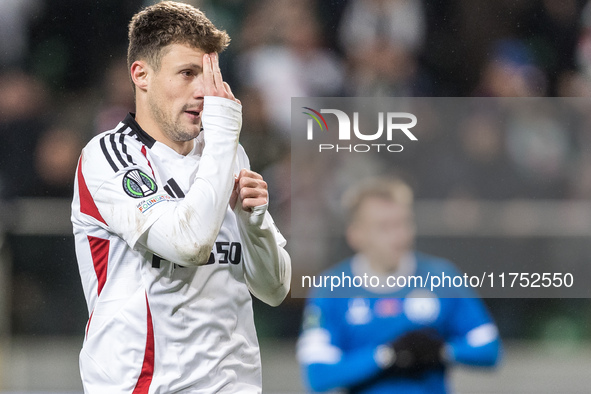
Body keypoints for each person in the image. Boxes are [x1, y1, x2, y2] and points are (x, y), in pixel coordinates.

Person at [71, 2, 291, 393]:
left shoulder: (225, 153)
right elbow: (187, 245)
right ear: (141, 74)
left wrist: (253, 223)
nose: (203, 92)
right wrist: (224, 136)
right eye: (187, 74)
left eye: (208, 76)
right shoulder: (109, 157)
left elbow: (274, 289)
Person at [297, 177, 500, 393]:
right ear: (355, 235)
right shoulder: (332, 287)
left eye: (404, 223)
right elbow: (317, 374)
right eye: (384, 227)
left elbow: (490, 349)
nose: (399, 235)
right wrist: (387, 355)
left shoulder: (441, 276)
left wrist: (441, 351)